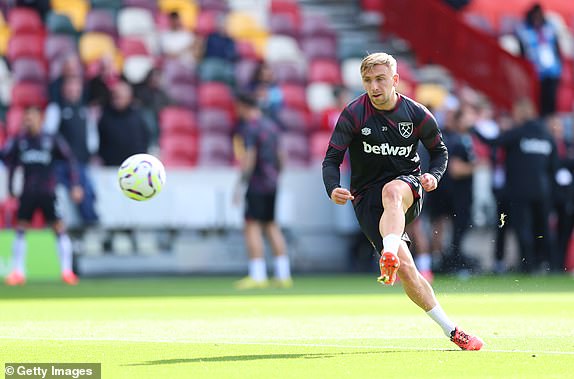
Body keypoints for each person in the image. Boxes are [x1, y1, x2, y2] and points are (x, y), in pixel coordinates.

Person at [322, 52, 483, 350]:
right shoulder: (354, 114)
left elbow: (440, 152)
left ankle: (387, 253)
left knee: (392, 192)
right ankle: (452, 330)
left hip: (407, 188)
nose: (374, 86)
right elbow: (332, 159)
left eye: (380, 79)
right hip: (366, 198)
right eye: (368, 81)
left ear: (395, 80)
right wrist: (333, 187)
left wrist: (434, 175)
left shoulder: (417, 113)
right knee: (409, 272)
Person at [473, 98, 558, 273]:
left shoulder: (518, 133)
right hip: (542, 190)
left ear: (519, 113)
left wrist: (472, 128)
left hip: (520, 190)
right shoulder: (546, 136)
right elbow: (554, 166)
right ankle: (546, 264)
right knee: (542, 228)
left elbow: (492, 142)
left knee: (523, 227)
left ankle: (527, 265)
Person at [1, 106, 83, 286]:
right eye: (26, 118)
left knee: (59, 228)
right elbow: (10, 163)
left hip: (48, 192)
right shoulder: (19, 140)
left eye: (32, 117)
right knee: (21, 229)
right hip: (27, 192)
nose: (28, 121)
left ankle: (67, 271)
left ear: (40, 119)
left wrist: (75, 184)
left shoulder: (51, 139)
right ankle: (18, 271)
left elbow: (70, 160)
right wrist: (9, 189)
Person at [233, 93, 292, 290]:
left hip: (257, 184)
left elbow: (249, 157)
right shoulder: (271, 126)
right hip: (272, 183)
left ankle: (258, 275)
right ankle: (283, 274)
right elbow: (281, 155)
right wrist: (277, 176)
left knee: (252, 226)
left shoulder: (249, 128)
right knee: (271, 225)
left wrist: (240, 184)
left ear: (242, 106)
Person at [44, 75, 99, 227]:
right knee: (65, 196)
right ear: (64, 90)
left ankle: (91, 227)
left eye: (76, 87)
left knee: (88, 194)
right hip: (61, 164)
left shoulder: (84, 111)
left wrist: (90, 153)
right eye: (70, 87)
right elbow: (48, 136)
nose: (74, 90)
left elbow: (92, 137)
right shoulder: (56, 109)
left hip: (81, 162)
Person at [516, 3, 562, 116]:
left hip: (552, 69)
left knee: (551, 98)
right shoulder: (524, 30)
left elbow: (556, 47)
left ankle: (550, 119)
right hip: (536, 71)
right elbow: (523, 51)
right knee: (538, 100)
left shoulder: (549, 27)